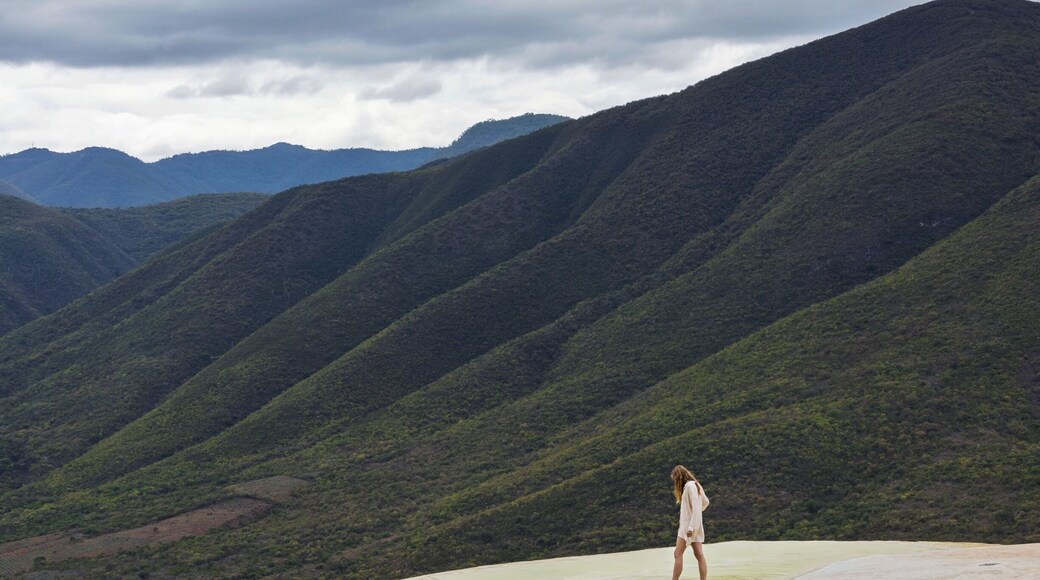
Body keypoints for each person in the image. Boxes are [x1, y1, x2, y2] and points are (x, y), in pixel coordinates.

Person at [671, 465, 709, 580]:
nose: (676, 483)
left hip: (688, 527)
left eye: (675, 480)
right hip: (696, 526)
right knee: (699, 554)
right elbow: (706, 502)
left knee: (677, 554)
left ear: (680, 477)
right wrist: (696, 517)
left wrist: (691, 526)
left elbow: (697, 507)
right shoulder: (696, 484)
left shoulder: (689, 486)